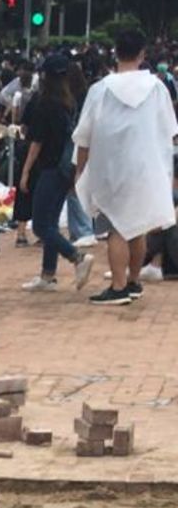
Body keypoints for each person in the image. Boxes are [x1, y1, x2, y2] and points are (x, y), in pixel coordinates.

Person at [74, 29, 178, 305]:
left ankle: (118, 287)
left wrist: (80, 169)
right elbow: (169, 130)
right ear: (143, 54)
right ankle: (133, 281)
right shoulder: (157, 89)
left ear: (115, 53)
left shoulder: (100, 90)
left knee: (117, 229)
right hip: (146, 168)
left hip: (111, 170)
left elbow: (84, 135)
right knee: (138, 226)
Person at [17, 53, 94, 294]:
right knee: (50, 222)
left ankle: (77, 257)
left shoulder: (45, 103)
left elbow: (36, 142)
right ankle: (48, 275)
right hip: (65, 168)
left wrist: (26, 172)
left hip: (49, 168)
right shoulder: (69, 103)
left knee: (40, 225)